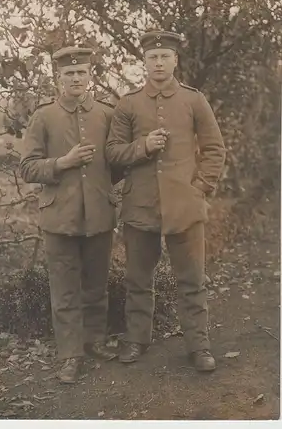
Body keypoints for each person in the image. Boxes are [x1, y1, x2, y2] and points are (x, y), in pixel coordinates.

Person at [106, 31, 226, 371]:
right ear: (144, 63)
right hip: (140, 206)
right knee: (138, 278)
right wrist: (142, 147)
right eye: (152, 58)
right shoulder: (129, 103)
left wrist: (200, 187)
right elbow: (113, 153)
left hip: (184, 207)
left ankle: (199, 346)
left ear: (175, 61)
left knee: (192, 279)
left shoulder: (193, 100)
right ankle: (137, 339)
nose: (158, 63)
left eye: (164, 57)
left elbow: (215, 149)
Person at [20, 46, 120, 384]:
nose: (75, 78)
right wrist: (63, 163)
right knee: (64, 290)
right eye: (68, 74)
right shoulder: (44, 116)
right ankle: (70, 355)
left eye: (81, 73)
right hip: (59, 219)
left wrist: (102, 189)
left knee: (95, 284)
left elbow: (116, 164)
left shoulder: (106, 114)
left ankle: (94, 341)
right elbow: (28, 167)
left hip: (99, 215)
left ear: (90, 75)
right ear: (57, 77)